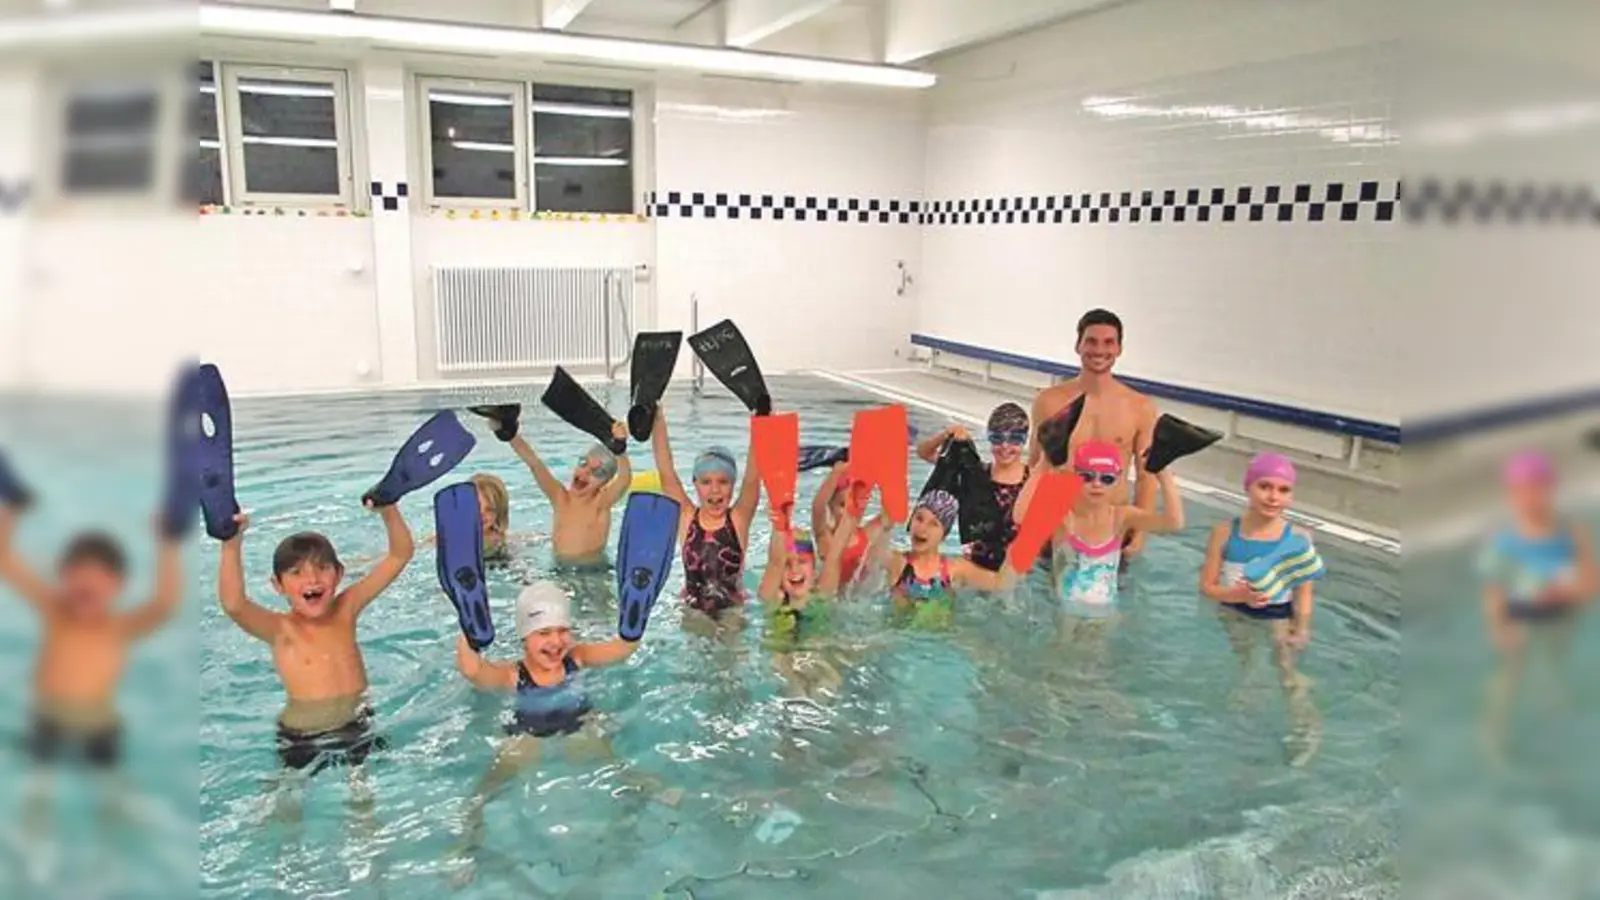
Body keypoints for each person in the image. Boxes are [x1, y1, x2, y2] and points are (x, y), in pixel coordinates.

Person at [450, 582, 653, 879]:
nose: (556, 641)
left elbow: (622, 649)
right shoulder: (513, 674)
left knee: (613, 760)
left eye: (562, 630)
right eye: (543, 633)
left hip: (579, 726)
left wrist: (638, 607)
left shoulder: (578, 657)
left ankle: (639, 794)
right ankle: (467, 843)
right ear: (524, 637)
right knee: (485, 791)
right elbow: (472, 670)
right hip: (528, 733)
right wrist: (470, 622)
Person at [0, 504, 182, 822]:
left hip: (99, 728)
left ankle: (111, 855)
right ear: (62, 577)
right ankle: (33, 852)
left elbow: (164, 604)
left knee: (111, 796)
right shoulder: (55, 611)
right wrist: (9, 518)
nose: (86, 588)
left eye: (96, 584)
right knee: (37, 794)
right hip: (48, 723)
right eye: (77, 580)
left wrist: (166, 545)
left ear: (118, 586)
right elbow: (6, 562)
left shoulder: (119, 627)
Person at [1197, 452, 1322, 766]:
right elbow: (1208, 587)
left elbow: (1304, 592)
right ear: (1248, 487)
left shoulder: (1297, 538)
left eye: (1283, 490)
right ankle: (1241, 737)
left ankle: (1307, 732)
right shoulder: (1225, 533)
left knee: (1286, 676)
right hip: (1233, 613)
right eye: (1264, 486)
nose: (1273, 496)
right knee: (1247, 670)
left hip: (1277, 617)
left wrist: (1301, 628)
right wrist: (1238, 595)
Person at [1476, 450, 1597, 763]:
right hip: (1521, 612)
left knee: (1552, 669)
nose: (1530, 499)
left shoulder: (1571, 532)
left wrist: (1570, 592)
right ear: (1511, 496)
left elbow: (1591, 578)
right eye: (1522, 492)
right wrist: (1497, 626)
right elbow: (1493, 587)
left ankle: (1554, 729)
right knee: (1510, 676)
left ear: (1551, 490)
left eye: (1537, 489)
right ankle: (1493, 738)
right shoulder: (1506, 540)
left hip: (1560, 612)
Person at [1028, 309, 1160, 560]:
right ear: (1078, 345)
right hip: (1058, 526)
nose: (1100, 350)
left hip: (1112, 530)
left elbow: (1147, 476)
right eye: (1091, 341)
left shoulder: (1139, 407)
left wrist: (1139, 532)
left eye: (1109, 342)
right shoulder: (1050, 402)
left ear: (1119, 348)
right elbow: (1035, 467)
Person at [471, 406, 630, 567]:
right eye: (583, 464)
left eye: (596, 472)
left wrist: (620, 449)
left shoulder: (600, 504)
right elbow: (534, 464)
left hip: (593, 570)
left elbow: (624, 479)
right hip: (559, 569)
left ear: (605, 482)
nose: (585, 474)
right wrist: (510, 435)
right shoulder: (560, 497)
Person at [1043, 439, 1185, 617]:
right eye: (1087, 477)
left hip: (1106, 613)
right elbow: (1022, 515)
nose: (1097, 484)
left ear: (1118, 480)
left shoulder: (1120, 518)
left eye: (1106, 478)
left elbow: (1174, 522)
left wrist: (1163, 473)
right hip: (1064, 613)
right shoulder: (1064, 517)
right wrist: (1048, 462)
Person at [649, 405, 761, 621]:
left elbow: (753, 478)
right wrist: (657, 419)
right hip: (692, 611)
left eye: (723, 482)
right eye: (706, 482)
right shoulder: (687, 518)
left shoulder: (738, 519)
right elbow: (666, 472)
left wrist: (760, 424)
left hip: (732, 612)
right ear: (695, 484)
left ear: (733, 484)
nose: (715, 490)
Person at [915, 402, 1032, 571]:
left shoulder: (1033, 482)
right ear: (989, 438)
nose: (1005, 446)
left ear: (1024, 440)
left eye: (1014, 439)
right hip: (973, 572)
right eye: (998, 438)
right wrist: (946, 434)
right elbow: (923, 452)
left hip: (1015, 578)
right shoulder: (973, 477)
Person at [878, 489, 1017, 629]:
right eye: (919, 518)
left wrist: (1017, 548)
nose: (923, 528)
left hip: (941, 642)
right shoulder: (896, 562)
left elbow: (999, 583)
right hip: (900, 638)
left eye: (934, 524)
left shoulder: (955, 569)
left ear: (944, 534)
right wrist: (884, 522)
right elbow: (868, 552)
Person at [810, 461, 885, 588]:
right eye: (842, 505)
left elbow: (892, 512)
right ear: (830, 506)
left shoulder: (868, 535)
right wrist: (836, 473)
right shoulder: (825, 537)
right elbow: (818, 507)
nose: (848, 513)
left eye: (853, 506)